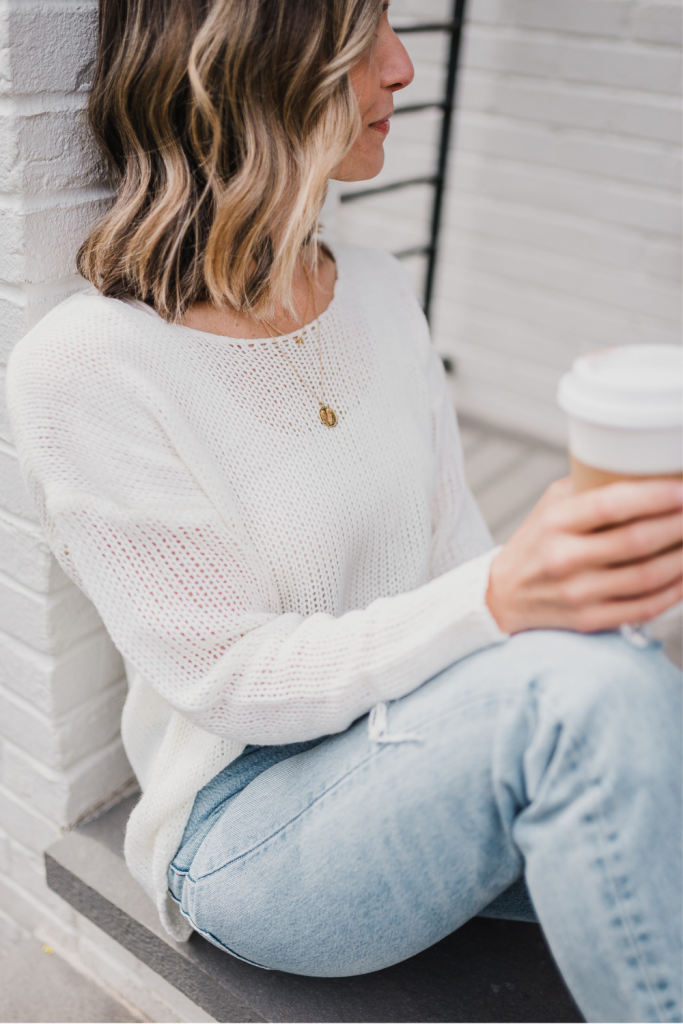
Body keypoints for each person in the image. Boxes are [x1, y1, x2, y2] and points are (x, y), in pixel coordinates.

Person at [6, 1, 682, 1020]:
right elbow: (225, 676)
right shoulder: (90, 365)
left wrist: (583, 581)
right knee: (585, 703)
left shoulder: (374, 287)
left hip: (414, 741)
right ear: (243, 66)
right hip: (249, 828)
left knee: (626, 685)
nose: (403, 68)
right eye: (361, 39)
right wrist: (502, 597)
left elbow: (456, 563)